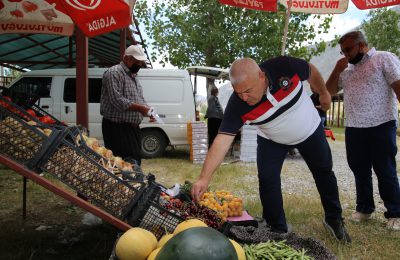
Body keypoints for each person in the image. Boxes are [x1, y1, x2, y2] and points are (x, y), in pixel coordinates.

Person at [191, 57, 351, 242]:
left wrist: (323, 92)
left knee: (324, 172)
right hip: (272, 138)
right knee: (267, 179)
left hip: (309, 129)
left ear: (261, 76)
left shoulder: (284, 66)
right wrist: (204, 178)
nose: (244, 97)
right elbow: (222, 140)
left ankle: (334, 219)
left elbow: (311, 71)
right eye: (239, 92)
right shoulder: (237, 104)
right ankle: (276, 227)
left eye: (248, 91)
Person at [326, 31, 400, 230]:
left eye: (348, 50)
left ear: (362, 44)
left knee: (385, 170)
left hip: (382, 123)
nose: (346, 55)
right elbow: (329, 92)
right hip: (355, 126)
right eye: (342, 52)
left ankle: (395, 213)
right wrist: (336, 69)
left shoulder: (383, 58)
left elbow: (398, 86)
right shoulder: (346, 69)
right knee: (359, 170)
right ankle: (365, 208)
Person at [100, 45, 154, 166]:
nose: (139, 65)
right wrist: (141, 108)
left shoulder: (133, 77)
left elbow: (140, 99)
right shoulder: (114, 73)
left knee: (134, 161)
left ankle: (133, 184)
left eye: (140, 62)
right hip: (117, 128)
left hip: (132, 128)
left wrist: (148, 110)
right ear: (126, 58)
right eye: (136, 61)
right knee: (121, 163)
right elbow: (117, 100)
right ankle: (123, 184)